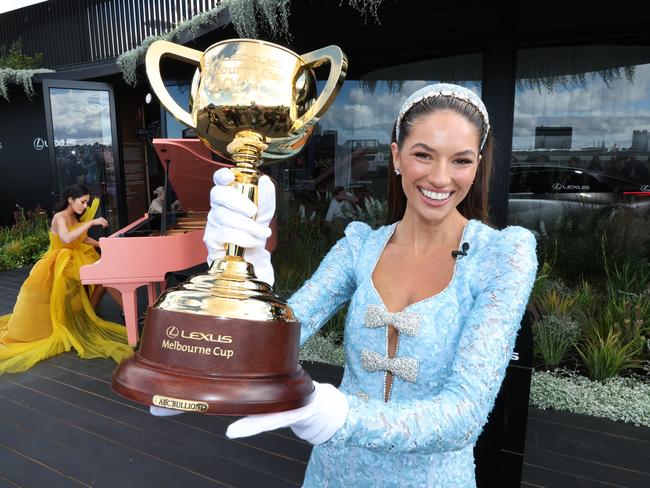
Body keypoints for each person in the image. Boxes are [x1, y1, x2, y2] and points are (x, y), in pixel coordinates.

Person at [201, 84, 539, 486]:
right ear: (397, 156)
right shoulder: (360, 247)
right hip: (334, 474)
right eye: (423, 155)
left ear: (478, 164)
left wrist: (339, 415)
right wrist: (244, 269)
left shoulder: (502, 256)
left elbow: (464, 413)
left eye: (461, 160)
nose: (441, 177)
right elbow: (283, 335)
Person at [0, 184, 133, 374]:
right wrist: (91, 222)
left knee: (105, 276)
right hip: (60, 260)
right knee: (103, 276)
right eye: (83, 202)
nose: (85, 206)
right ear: (70, 200)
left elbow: (82, 239)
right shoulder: (59, 217)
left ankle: (97, 312)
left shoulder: (76, 216)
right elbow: (67, 238)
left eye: (87, 202)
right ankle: (120, 314)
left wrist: (103, 244)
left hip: (76, 255)